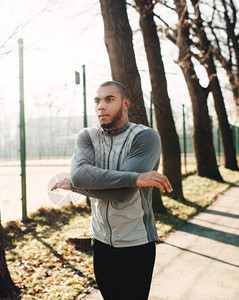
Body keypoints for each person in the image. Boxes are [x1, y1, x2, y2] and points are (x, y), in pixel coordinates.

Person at [51, 81, 172, 299]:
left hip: (136, 242)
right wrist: (134, 178)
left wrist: (78, 186)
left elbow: (121, 194)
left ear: (125, 104)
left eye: (109, 99)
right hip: (101, 242)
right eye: (97, 100)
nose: (101, 106)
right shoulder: (87, 136)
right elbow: (79, 175)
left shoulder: (145, 137)